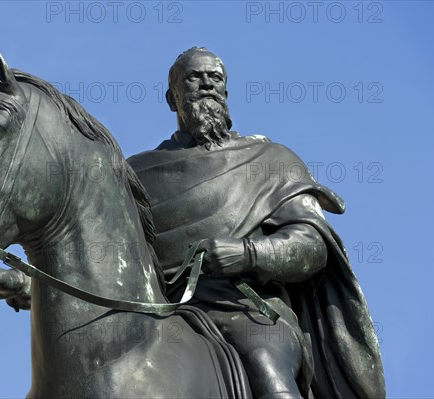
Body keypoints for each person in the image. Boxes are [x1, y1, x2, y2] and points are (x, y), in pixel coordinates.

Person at [126, 47, 385, 398]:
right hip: (156, 315)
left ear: (226, 92)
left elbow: (311, 245)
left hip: (247, 312)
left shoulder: (270, 160)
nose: (205, 85)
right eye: (193, 77)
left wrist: (247, 253)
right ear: (172, 98)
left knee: (267, 368)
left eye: (214, 78)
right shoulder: (137, 173)